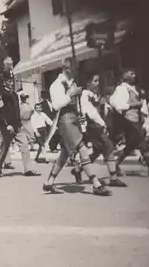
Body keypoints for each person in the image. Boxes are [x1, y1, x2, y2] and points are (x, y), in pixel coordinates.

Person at [42, 57, 111, 196]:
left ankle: (49, 182)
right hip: (65, 121)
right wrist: (71, 95)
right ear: (66, 69)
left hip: (74, 120)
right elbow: (55, 106)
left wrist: (80, 114)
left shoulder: (72, 83)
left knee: (65, 153)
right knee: (82, 148)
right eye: (74, 68)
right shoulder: (56, 85)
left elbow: (79, 103)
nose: (76, 71)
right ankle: (96, 183)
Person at [71, 72, 127, 187]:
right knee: (109, 146)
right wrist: (102, 123)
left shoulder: (93, 94)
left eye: (98, 81)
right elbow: (91, 112)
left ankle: (78, 170)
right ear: (88, 83)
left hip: (96, 124)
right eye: (95, 81)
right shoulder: (86, 95)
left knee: (97, 151)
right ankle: (113, 177)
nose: (97, 83)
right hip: (94, 125)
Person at [110, 69, 149, 173]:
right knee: (142, 143)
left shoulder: (135, 89)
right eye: (131, 73)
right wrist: (133, 105)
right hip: (128, 121)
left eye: (134, 73)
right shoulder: (122, 89)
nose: (134, 75)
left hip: (137, 120)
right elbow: (117, 104)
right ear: (124, 76)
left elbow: (142, 104)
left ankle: (115, 164)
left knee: (131, 145)